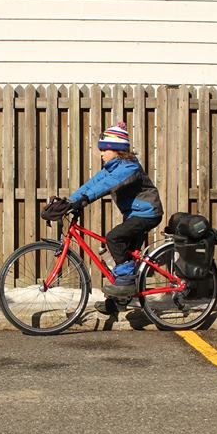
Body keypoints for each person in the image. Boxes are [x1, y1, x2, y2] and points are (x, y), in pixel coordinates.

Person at [67, 122, 163, 314]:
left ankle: (125, 283)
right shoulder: (111, 168)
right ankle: (116, 303)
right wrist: (70, 201)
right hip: (134, 214)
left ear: (117, 150)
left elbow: (108, 184)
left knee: (114, 238)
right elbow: (93, 183)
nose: (101, 154)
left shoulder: (128, 167)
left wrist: (86, 199)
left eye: (104, 150)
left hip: (148, 213)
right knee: (125, 253)